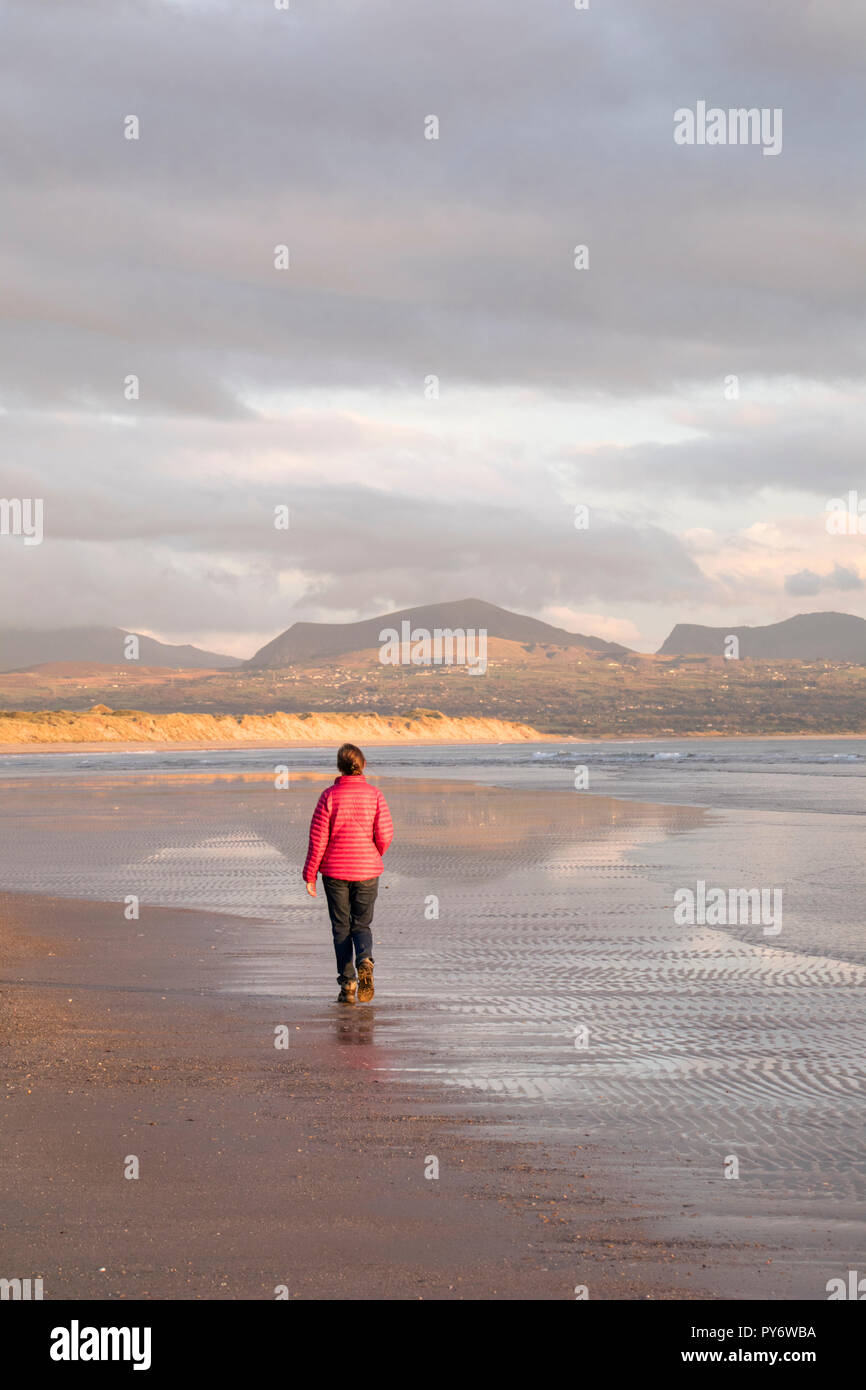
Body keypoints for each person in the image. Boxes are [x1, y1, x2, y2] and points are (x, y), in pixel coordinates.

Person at [302, 743, 393, 1003]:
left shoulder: (329, 796)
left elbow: (318, 838)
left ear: (339, 767)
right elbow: (385, 834)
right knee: (361, 924)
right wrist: (373, 854)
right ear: (362, 766)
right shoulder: (375, 795)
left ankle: (348, 984)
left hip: (335, 872)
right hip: (367, 869)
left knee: (341, 928)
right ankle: (365, 959)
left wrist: (310, 874)